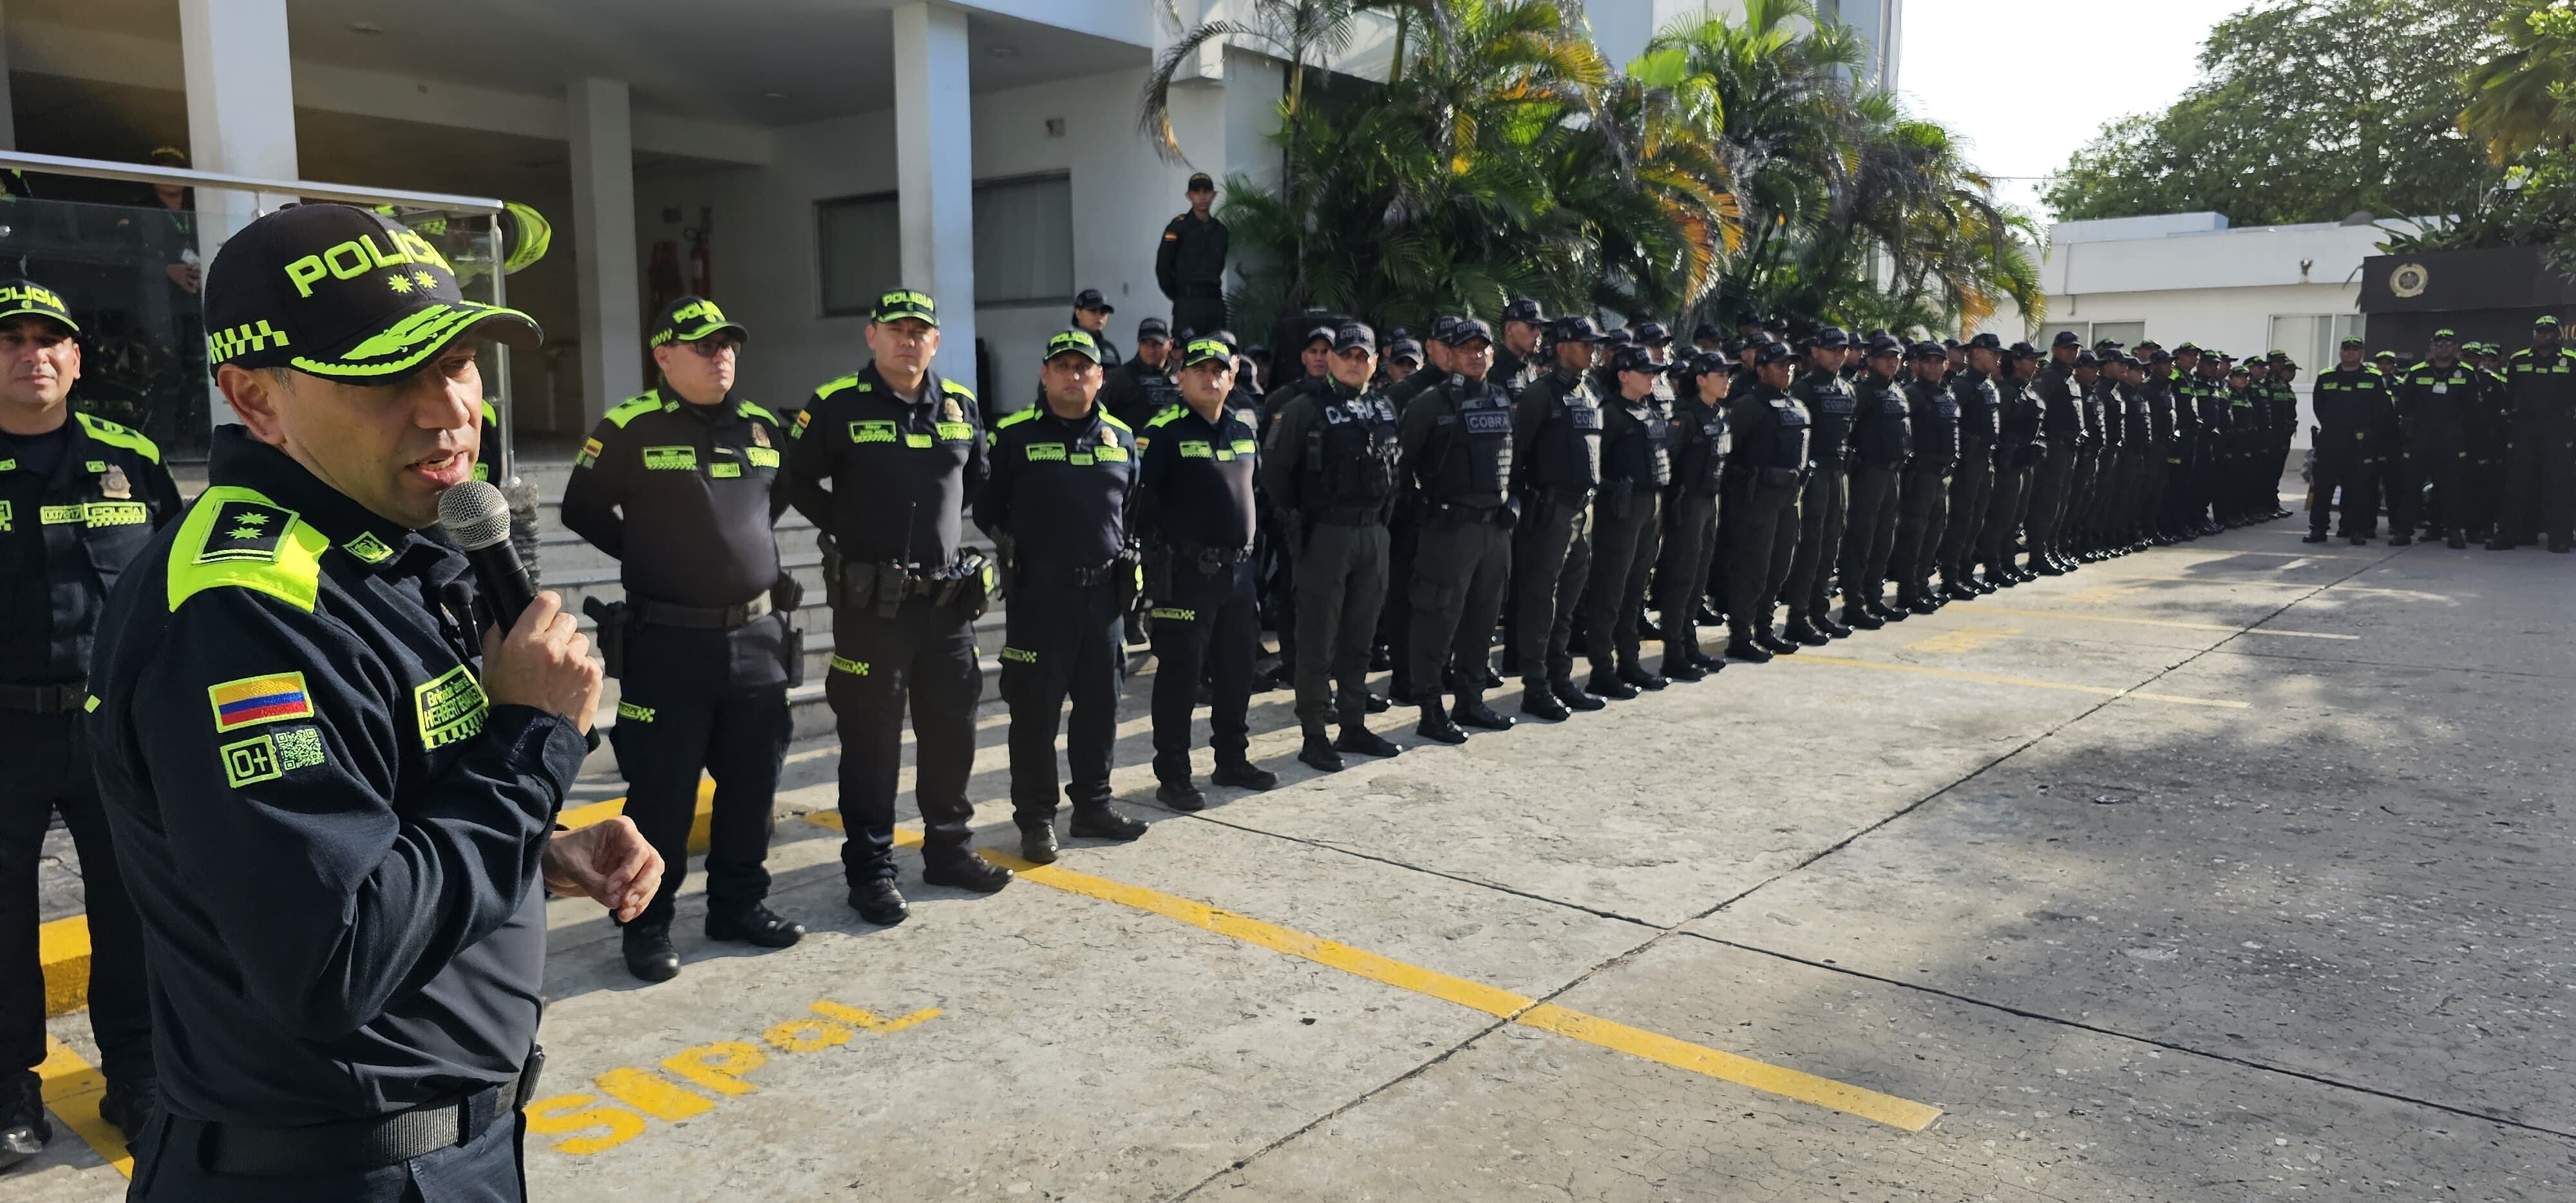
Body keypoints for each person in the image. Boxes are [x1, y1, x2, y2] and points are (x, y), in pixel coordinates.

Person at [86, 202, 660, 1198]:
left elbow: (393, 812)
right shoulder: (239, 610)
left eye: (459, 363)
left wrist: (537, 846)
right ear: (253, 398)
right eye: (389, 374)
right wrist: (529, 746)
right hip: (333, 1173)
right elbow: (331, 957)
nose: (447, 410)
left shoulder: (387, 547)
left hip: (450, 1148)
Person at [558, 295, 802, 983]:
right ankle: (647, 923)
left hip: (756, 636)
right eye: (702, 345)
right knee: (662, 795)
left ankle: (739, 905)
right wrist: (651, 555)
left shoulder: (761, 427)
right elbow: (580, 508)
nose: (720, 354)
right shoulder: (629, 426)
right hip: (668, 643)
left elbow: (772, 501)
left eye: (727, 343)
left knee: (753, 784)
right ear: (663, 356)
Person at [0, 280, 180, 1159]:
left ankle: (140, 1076)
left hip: (114, 728)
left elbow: (179, 587)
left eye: (50, 339)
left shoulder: (131, 457)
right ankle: (8, 1091)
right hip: (2, 732)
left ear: (75, 358)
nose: (32, 353)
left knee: (133, 905)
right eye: (11, 339)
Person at [790, 288, 1010, 924]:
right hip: (872, 608)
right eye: (896, 329)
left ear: (935, 341)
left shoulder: (960, 405)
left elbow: (975, 480)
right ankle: (871, 868)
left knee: (952, 732)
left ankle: (949, 848)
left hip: (946, 605)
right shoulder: (836, 404)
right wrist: (849, 526)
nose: (908, 339)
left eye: (920, 331)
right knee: (871, 742)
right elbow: (796, 478)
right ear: (872, 336)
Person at [979, 330, 1149, 864]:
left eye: (1085, 368)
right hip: (1040, 599)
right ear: (1045, 375)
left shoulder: (1122, 437)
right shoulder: (1012, 436)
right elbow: (987, 508)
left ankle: (1093, 807)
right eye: (1064, 366)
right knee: (1035, 714)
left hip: (1104, 600)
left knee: (1100, 708)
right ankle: (1035, 820)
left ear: (1100, 377)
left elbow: (1133, 507)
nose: (1074, 376)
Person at [1137, 338, 1280, 808]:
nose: (1210, 377)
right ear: (1180, 376)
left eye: (1219, 370)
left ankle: (1231, 760)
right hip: (1185, 577)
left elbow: (1254, 490)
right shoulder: (1164, 432)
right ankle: (1174, 774)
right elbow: (1140, 505)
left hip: (1238, 576)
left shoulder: (1242, 429)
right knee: (1181, 676)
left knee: (1237, 671)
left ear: (1233, 376)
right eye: (1198, 369)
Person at [1261, 324, 1402, 772]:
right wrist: (1297, 522)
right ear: (1332, 361)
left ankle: (1354, 722)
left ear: (1375, 361)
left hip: (1373, 533)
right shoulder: (1303, 408)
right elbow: (1276, 473)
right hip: (1326, 534)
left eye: (1363, 356)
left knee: (1360, 635)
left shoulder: (1383, 406)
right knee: (1318, 635)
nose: (1355, 363)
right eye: (1347, 356)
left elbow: (1396, 468)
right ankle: (1314, 731)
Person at [1396, 318, 1518, 743]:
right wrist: (1424, 510)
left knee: (1483, 620)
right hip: (1448, 532)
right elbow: (1402, 465)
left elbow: (1515, 463)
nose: (1476, 354)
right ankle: (1430, 709)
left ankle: (1471, 700)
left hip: (1494, 530)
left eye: (1482, 348)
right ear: (1450, 354)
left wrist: (1513, 505)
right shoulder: (1431, 403)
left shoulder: (1502, 399)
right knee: (1437, 620)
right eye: (1466, 348)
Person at [1510, 316, 1607, 720]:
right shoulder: (1540, 395)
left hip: (1582, 509)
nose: (1592, 350)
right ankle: (1536, 685)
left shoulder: (1589, 390)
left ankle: (1560, 676)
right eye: (1585, 343)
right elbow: (1516, 456)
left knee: (1568, 600)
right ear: (1562, 346)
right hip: (1549, 509)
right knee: (1541, 600)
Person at [1578, 343, 1671, 697]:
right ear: (1623, 376)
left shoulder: (1648, 410)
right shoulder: (1611, 414)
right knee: (1610, 590)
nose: (1652, 378)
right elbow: (1594, 464)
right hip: (1620, 509)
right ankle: (1602, 669)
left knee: (1635, 589)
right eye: (1645, 373)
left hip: (1649, 505)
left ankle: (1629, 663)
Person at [1723, 341, 1806, 661]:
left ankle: (1765, 629)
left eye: (1790, 364)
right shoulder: (1748, 406)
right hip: (1756, 499)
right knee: (1752, 568)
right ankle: (1741, 635)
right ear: (1760, 369)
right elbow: (1728, 455)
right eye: (1779, 364)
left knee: (1778, 567)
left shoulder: (1795, 405)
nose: (1787, 369)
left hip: (1788, 498)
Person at [1654, 352, 1730, 679]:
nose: (1727, 380)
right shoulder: (1685, 417)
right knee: (1681, 579)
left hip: (1709, 502)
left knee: (1698, 579)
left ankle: (1689, 644)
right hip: (1688, 504)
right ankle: (1673, 652)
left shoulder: (1719, 412)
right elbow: (1667, 461)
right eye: (1720, 374)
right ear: (1700, 380)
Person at [1779, 329, 1854, 643]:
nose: (1838, 355)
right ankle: (1798, 616)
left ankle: (1819, 612)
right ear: (1816, 352)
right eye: (1832, 350)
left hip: (1838, 474)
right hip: (1814, 474)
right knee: (1810, 547)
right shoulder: (1804, 388)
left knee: (1829, 547)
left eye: (1843, 350)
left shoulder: (1848, 389)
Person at [1838, 334, 1911, 627]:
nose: (1892, 362)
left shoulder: (1898, 390)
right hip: (1868, 472)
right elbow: (1846, 431)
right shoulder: (1861, 392)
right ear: (1870, 360)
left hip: (1892, 473)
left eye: (1896, 358)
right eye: (1885, 357)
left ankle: (1874, 597)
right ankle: (1854, 603)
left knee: (1883, 539)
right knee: (1861, 539)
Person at [1890, 341, 1958, 614]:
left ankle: (1920, 584)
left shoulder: (1946, 394)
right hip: (1919, 474)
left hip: (1940, 475)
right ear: (1916, 364)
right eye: (1927, 361)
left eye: (1937, 361)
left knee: (1933, 533)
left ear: (1946, 365)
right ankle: (1907, 590)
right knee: (1914, 534)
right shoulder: (1911, 394)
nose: (1932, 367)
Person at [2306, 335, 2391, 545]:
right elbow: (2319, 406)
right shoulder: (2326, 376)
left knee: (2358, 488)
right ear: (2340, 352)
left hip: (2360, 441)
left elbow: (2381, 410)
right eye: (2346, 349)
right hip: (2331, 439)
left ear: (2362, 353)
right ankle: (2318, 529)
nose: (2350, 353)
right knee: (2323, 487)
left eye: (2355, 349)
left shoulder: (2373, 378)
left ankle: (2356, 530)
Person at [1937, 333, 2002, 599]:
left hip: (1984, 460)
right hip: (1968, 462)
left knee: (1976, 518)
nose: (1998, 357)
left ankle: (1966, 571)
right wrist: (1965, 448)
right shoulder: (1963, 385)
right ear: (1976, 353)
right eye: (1992, 352)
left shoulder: (1988, 384)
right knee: (1961, 519)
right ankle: (1950, 575)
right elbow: (1950, 422)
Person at [1978, 343, 2045, 587]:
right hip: (2007, 464)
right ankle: (1993, 566)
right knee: (2001, 517)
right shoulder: (2006, 391)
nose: (2035, 364)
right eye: (2030, 359)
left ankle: (2008, 562)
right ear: (2016, 362)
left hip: (2023, 462)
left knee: (2016, 516)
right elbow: (1997, 430)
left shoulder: (2026, 390)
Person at [2023, 332, 2085, 576]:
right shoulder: (2049, 376)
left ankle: (2051, 548)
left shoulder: (2069, 377)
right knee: (2046, 504)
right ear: (2055, 349)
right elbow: (2037, 410)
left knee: (2060, 503)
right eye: (2067, 348)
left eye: (2075, 348)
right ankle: (2038, 554)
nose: (2072, 352)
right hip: (2054, 448)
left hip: (2069, 448)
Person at [1158, 173, 1231, 340]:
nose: (1202, 196)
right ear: (1189, 196)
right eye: (1197, 192)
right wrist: (1179, 296)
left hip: (1214, 302)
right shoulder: (1178, 227)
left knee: (1216, 354)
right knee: (1185, 353)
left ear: (1213, 195)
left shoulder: (1221, 231)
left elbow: (1219, 266)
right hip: (1188, 303)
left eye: (1206, 192)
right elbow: (1163, 267)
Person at [1100, 316, 1181, 435]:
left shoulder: (1181, 378)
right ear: (1138, 344)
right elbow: (1099, 415)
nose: (1150, 350)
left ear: (1170, 344)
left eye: (1156, 344)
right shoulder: (1119, 378)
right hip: (1131, 448)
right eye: (1145, 344)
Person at [1493, 299, 1548, 399]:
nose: (1538, 334)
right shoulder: (1491, 370)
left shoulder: (1530, 368)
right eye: (1531, 327)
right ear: (1510, 329)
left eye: (1539, 328)